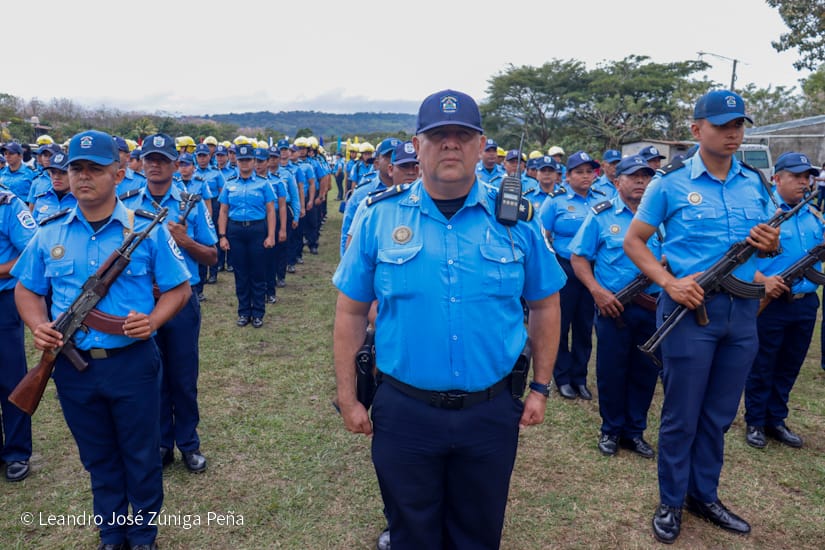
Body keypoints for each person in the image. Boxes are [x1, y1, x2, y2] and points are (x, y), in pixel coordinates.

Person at [333, 89, 565, 550]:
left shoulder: (517, 221)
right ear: (417, 147)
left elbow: (544, 303)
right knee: (411, 531)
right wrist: (347, 397)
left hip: (491, 410)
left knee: (478, 532)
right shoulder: (379, 217)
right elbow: (350, 310)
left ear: (482, 147)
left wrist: (540, 387)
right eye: (438, 135)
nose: (451, 145)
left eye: (464, 135)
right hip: (405, 410)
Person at [13, 129, 191, 550]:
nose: (83, 177)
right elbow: (26, 288)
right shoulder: (49, 232)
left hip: (132, 365)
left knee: (142, 457)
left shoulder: (143, 230)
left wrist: (152, 320)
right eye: (76, 168)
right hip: (73, 368)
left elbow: (179, 289)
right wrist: (38, 324)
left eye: (94, 169)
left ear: (119, 171)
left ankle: (143, 535)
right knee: (98, 459)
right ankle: (112, 535)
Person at [623, 90, 780, 544]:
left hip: (742, 313)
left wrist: (770, 245)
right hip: (690, 314)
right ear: (697, 130)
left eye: (739, 125)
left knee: (719, 415)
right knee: (682, 414)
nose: (734, 134)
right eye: (723, 126)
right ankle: (671, 501)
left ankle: (703, 495)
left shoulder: (754, 182)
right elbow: (635, 241)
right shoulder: (668, 182)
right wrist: (669, 283)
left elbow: (769, 244)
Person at [120, 133, 218, 474]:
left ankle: (188, 442)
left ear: (176, 165)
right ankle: (161, 443)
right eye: (150, 158)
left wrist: (185, 240)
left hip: (180, 303)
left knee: (183, 375)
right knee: (151, 374)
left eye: (163, 159)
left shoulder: (190, 200)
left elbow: (212, 254)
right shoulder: (127, 203)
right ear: (142, 162)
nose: (155, 165)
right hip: (143, 303)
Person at [569, 155, 661, 458]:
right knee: (611, 371)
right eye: (633, 176)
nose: (640, 181)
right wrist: (596, 292)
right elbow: (579, 257)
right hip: (613, 308)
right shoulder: (601, 215)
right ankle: (610, 430)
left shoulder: (661, 217)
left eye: (645, 176)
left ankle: (634, 433)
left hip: (652, 308)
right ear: (616, 181)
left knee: (645, 371)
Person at [744, 152, 824, 450]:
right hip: (771, 301)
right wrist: (763, 281)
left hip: (805, 302)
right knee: (763, 363)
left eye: (807, 177)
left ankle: (776, 419)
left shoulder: (815, 215)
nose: (804, 182)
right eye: (796, 176)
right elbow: (739, 261)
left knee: (790, 364)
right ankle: (755, 421)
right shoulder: (763, 215)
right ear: (777, 179)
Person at [539, 151, 606, 400]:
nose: (586, 176)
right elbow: (542, 234)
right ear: (567, 176)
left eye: (590, 171)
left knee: (584, 325)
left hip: (591, 269)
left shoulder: (601, 199)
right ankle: (563, 377)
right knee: (561, 323)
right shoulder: (556, 201)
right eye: (579, 171)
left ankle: (580, 377)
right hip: (564, 268)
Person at [217, 143, 276, 328]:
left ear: (253, 162)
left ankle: (258, 312)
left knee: (258, 273)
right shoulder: (229, 184)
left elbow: (271, 211)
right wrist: (222, 236)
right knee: (241, 274)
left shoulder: (263, 184)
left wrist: (271, 235)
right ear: (237, 161)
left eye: (248, 160)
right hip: (235, 232)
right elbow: (223, 212)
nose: (244, 163)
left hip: (257, 230)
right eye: (241, 160)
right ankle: (243, 312)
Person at [0, 186, 36, 482]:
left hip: (3, 301)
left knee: (10, 379)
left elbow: (33, 249)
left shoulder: (8, 203)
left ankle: (16, 452)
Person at [30, 150, 76, 223]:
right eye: (53, 172)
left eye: (63, 172)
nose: (56, 177)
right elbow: (33, 229)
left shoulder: (81, 202)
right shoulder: (41, 200)